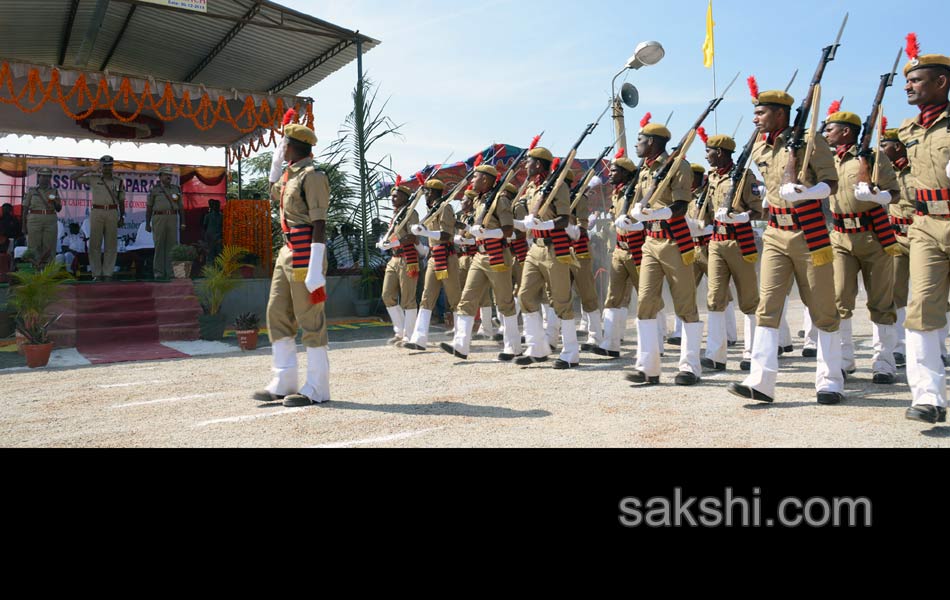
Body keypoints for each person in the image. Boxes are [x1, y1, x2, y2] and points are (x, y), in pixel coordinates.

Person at [728, 83, 843, 405]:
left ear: (780, 113)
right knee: (768, 306)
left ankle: (831, 380)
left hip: (809, 233)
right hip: (776, 233)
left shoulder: (810, 141)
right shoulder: (760, 148)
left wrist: (806, 191)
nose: (755, 119)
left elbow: (831, 184)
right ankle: (761, 381)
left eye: (760, 112)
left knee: (822, 307)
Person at [253, 124, 331, 407]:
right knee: (277, 312)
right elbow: (274, 194)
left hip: (306, 250)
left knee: (310, 317)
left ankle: (317, 387)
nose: (280, 148)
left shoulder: (313, 176)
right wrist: (275, 169)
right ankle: (284, 380)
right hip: (287, 250)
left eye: (283, 144)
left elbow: (320, 222)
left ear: (293, 145)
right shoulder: (291, 176)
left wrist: (314, 267)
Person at [621, 118, 701, 386]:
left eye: (640, 140)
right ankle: (648, 367)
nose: (636, 144)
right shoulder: (644, 171)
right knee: (645, 302)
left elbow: (681, 206)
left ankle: (690, 366)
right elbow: (637, 206)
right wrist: (630, 219)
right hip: (650, 242)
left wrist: (656, 213)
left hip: (674, 241)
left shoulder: (678, 166)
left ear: (652, 143)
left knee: (685, 305)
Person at [824, 109, 901, 384]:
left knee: (880, 301)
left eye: (831, 129)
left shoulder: (873, 157)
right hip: (841, 236)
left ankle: (884, 362)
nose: (826, 133)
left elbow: (894, 192)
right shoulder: (828, 160)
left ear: (846, 131)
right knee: (840, 299)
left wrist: (878, 195)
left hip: (873, 235)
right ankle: (844, 360)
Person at [899, 41, 950, 424]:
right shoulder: (908, 130)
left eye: (916, 79)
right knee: (921, 309)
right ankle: (928, 397)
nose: (908, 86)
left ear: (941, 82)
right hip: (926, 227)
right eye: (908, 80)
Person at [693, 135, 763, 372]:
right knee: (714, 298)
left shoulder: (745, 176)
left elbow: (757, 210)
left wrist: (741, 216)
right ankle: (716, 354)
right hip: (716, 242)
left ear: (720, 152)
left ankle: (752, 353)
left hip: (738, 241)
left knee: (749, 299)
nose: (706, 155)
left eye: (709, 150)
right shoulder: (712, 177)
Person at [442, 164, 522, 362]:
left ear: (485, 180)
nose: (471, 180)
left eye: (475, 177)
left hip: (497, 254)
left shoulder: (500, 200)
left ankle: (514, 346)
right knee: (467, 298)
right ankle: (460, 344)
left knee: (504, 301)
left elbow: (508, 230)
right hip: (479, 255)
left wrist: (487, 233)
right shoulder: (479, 201)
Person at [514, 147, 579, 369]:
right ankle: (537, 348)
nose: (525, 165)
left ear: (539, 164)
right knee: (525, 295)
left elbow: (564, 219)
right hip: (535, 248)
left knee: (561, 300)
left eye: (528, 162)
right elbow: (528, 221)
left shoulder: (557, 186)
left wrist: (545, 224)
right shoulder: (533, 188)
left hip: (555, 248)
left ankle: (571, 352)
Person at [404, 178, 462, 350]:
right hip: (433, 256)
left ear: (434, 192)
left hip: (447, 254)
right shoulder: (432, 210)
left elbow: (446, 234)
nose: (425, 195)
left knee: (454, 298)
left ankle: (460, 338)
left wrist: (426, 231)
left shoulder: (445, 208)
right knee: (426, 297)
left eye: (427, 192)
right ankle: (419, 338)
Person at [593, 149, 640, 359]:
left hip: (638, 250)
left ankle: (657, 342)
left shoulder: (637, 191)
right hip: (620, 250)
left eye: (614, 171)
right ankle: (610, 343)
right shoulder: (618, 193)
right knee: (613, 297)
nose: (610, 174)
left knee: (648, 298)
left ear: (626, 173)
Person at [880, 124, 915, 368]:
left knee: (934, 294)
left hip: (923, 233)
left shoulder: (918, 169)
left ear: (897, 146)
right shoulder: (882, 172)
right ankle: (899, 347)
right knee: (895, 293)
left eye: (884, 145)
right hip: (896, 236)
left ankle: (940, 344)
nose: (881, 149)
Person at [378, 179, 420, 346]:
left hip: (407, 258)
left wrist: (394, 243)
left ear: (405, 197)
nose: (393, 198)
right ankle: (400, 330)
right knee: (387, 295)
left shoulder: (411, 213)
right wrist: (385, 242)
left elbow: (413, 236)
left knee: (408, 299)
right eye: (392, 196)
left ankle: (410, 335)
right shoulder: (396, 215)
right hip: (394, 258)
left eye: (396, 196)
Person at [71, 156, 125, 282]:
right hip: (97, 211)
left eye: (109, 165)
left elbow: (122, 200)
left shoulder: (119, 181)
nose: (107, 168)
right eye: (104, 166)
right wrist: (89, 169)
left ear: (112, 166)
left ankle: (107, 273)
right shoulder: (93, 178)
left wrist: (122, 216)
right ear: (101, 167)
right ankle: (96, 273)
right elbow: (73, 178)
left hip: (112, 211)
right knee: (95, 243)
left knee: (111, 244)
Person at [147, 166, 185, 280]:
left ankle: (170, 272)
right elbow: (149, 207)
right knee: (159, 245)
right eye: (166, 175)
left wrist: (183, 222)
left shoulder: (176, 189)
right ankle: (158, 272)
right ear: (160, 177)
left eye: (170, 175)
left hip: (172, 217)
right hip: (159, 217)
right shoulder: (154, 189)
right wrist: (147, 223)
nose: (169, 177)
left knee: (171, 246)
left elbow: (181, 207)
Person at [23, 167, 62, 267]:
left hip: (50, 219)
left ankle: (47, 272)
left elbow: (58, 209)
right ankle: (35, 270)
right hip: (34, 219)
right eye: (43, 176)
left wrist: (55, 202)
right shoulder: (31, 191)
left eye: (48, 177)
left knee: (49, 246)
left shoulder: (54, 191)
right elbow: (25, 209)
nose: (45, 178)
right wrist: (23, 225)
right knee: (34, 246)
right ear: (38, 177)